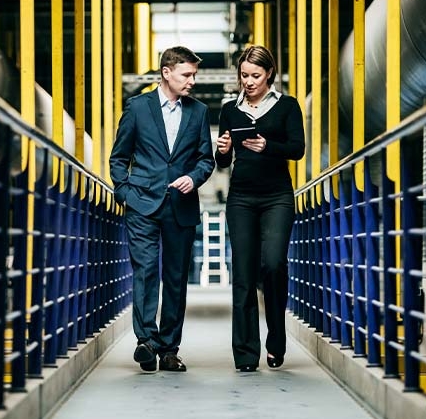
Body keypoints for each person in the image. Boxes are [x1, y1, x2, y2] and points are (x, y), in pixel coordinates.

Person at [109, 46, 215, 372]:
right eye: (187, 74)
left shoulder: (198, 112)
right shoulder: (138, 108)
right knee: (145, 273)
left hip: (180, 205)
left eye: (194, 75)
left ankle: (169, 349)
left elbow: (206, 159)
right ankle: (146, 341)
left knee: (175, 279)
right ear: (166, 73)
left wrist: (193, 178)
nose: (192, 81)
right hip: (142, 203)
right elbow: (118, 157)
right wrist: (125, 192)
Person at [215, 45, 305, 372]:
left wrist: (268, 146)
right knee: (243, 273)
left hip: (277, 195)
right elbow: (223, 162)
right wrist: (223, 150)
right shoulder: (230, 110)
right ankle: (245, 353)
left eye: (255, 75)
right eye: (244, 75)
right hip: (240, 197)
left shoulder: (287, 107)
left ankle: (277, 339)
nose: (248, 82)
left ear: (269, 74)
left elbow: (297, 149)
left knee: (273, 264)